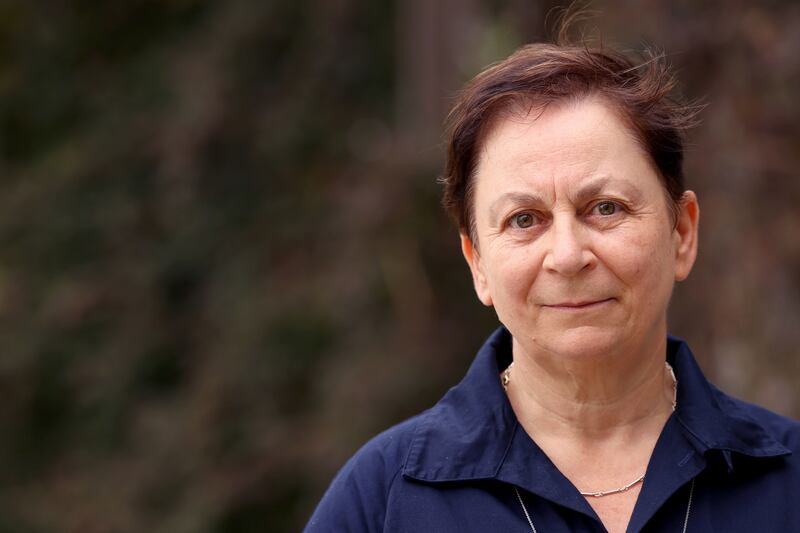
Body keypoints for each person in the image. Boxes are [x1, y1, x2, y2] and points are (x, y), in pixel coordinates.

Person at [304, 35, 800, 533]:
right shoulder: (381, 502)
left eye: (605, 207)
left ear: (682, 233)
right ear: (478, 264)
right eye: (524, 219)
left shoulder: (789, 482)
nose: (567, 256)